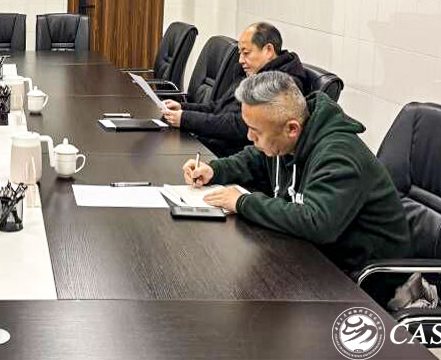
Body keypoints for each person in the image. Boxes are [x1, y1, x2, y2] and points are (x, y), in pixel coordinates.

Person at [182, 71, 410, 273]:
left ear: (292, 129)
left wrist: (243, 202)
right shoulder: (288, 137)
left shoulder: (339, 155)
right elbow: (255, 158)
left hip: (362, 280)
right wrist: (214, 169)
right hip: (313, 257)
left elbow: (317, 223)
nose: (250, 137)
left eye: (255, 131)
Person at [163, 22, 309, 156]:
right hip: (210, 145)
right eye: (240, 53)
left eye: (246, 53)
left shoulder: (282, 85)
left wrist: (185, 119)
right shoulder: (250, 74)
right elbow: (218, 108)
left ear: (268, 50)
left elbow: (239, 126)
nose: (240, 60)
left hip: (229, 156)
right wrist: (183, 108)